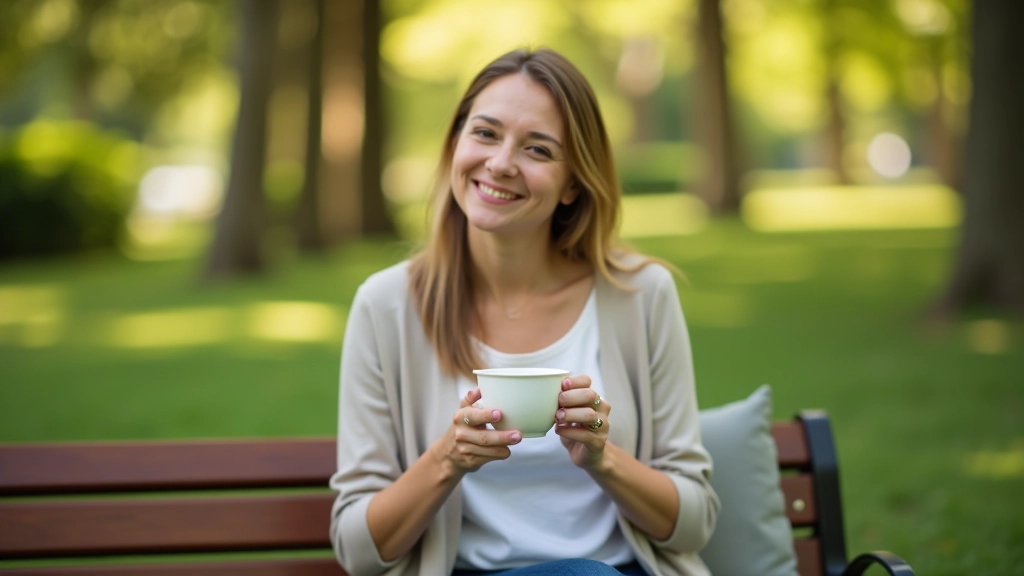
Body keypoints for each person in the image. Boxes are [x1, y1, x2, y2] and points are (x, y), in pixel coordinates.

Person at [329, 48, 719, 576]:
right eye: (485, 133)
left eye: (537, 149)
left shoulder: (641, 295)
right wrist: (448, 457)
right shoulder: (387, 305)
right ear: (455, 145)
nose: (501, 163)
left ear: (574, 184)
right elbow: (357, 550)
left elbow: (695, 524)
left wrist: (604, 460)